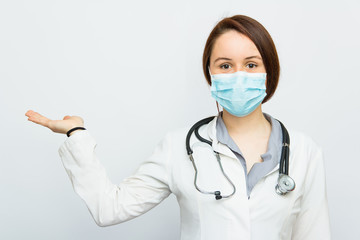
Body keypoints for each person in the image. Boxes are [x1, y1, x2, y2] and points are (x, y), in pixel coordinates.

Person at [25, 14, 331, 240]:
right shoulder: (178, 148)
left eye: (251, 65)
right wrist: (76, 134)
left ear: (269, 71)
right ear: (210, 74)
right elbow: (109, 208)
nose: (238, 75)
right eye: (225, 65)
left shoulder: (304, 153)